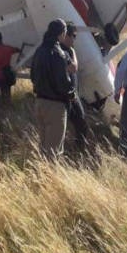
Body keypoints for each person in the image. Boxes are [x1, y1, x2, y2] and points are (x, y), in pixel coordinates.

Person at [30, 19, 75, 159]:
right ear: (61, 33)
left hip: (40, 102)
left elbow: (32, 76)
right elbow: (62, 82)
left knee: (43, 147)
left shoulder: (39, 51)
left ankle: (41, 176)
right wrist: (71, 93)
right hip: (55, 105)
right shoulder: (58, 53)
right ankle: (50, 179)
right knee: (54, 152)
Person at [59, 22, 92, 153]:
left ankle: (78, 150)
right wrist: (72, 52)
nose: (74, 39)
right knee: (65, 126)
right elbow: (73, 68)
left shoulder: (66, 50)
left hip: (72, 95)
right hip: (64, 96)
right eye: (72, 35)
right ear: (65, 35)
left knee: (81, 124)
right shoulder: (61, 51)